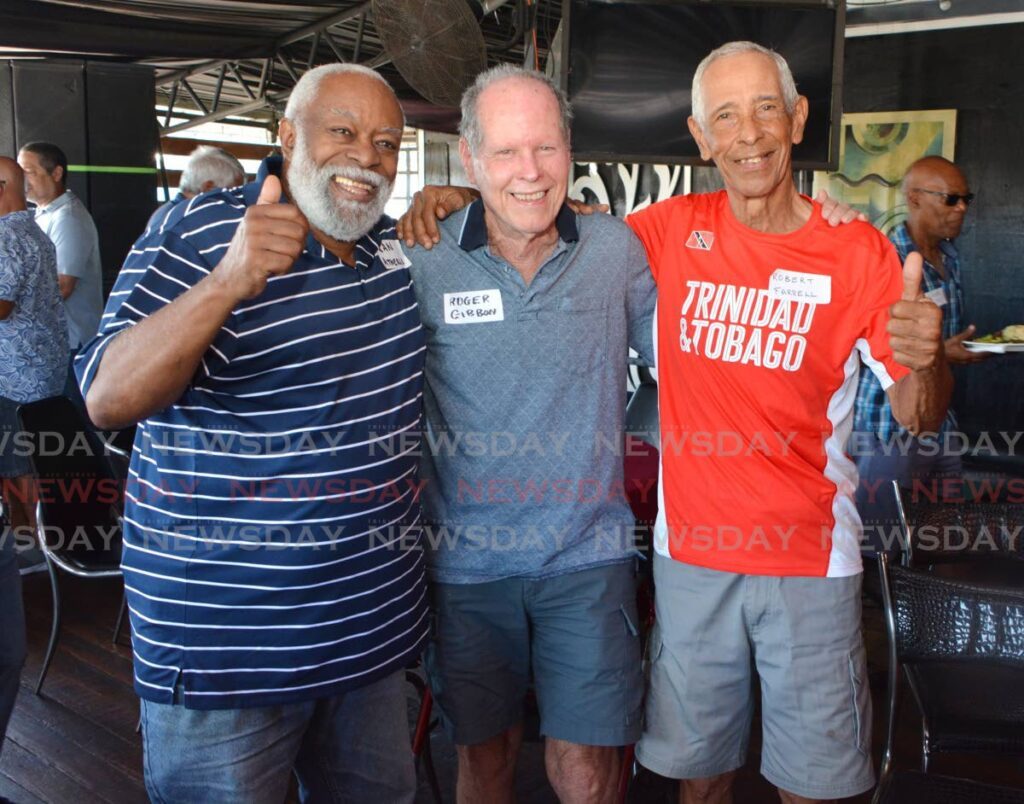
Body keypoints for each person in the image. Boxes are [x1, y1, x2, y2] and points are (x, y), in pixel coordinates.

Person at [399, 41, 949, 804]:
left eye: (765, 109)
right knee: (699, 780)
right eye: (726, 115)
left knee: (812, 788)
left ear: (797, 120)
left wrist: (926, 357)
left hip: (810, 557)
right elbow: (539, 205)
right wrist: (456, 197)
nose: (748, 133)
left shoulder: (854, 248)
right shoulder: (659, 231)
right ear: (701, 137)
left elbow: (918, 416)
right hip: (690, 557)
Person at [76, 63, 426, 803]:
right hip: (230, 652)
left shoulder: (390, 248)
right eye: (343, 132)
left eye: (387, 142)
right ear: (288, 135)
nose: (366, 156)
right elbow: (107, 395)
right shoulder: (202, 227)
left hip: (368, 637)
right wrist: (226, 282)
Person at [410, 64, 656, 803]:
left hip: (587, 555)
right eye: (508, 152)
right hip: (466, 566)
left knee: (588, 767)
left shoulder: (615, 251)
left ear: (570, 153)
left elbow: (680, 365)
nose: (529, 172)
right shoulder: (421, 257)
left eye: (546, 149)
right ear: (470, 157)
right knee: (485, 759)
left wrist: (641, 440)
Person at [853, 156, 986, 549]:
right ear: (914, 198)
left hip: (942, 421)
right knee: (880, 544)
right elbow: (858, 349)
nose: (961, 207)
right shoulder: (884, 259)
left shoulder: (951, 258)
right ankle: (881, 609)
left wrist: (950, 351)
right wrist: (943, 353)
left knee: (938, 539)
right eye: (950, 198)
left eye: (966, 198)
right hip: (889, 428)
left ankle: (925, 608)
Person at [0, 155, 69, 757]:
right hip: (42, 370)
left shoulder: (7, 237)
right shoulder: (34, 230)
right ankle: (46, 552)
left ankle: (38, 560)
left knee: (24, 477)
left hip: (17, 378)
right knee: (38, 473)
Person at [17, 142, 103, 351]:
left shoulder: (68, 218)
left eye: (29, 172)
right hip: (51, 338)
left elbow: (63, 285)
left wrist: (11, 304)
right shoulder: (43, 213)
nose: (22, 180)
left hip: (70, 341)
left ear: (56, 173)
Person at [146, 145, 246, 233]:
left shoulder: (168, 213)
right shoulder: (189, 219)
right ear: (209, 188)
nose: (237, 200)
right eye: (232, 192)